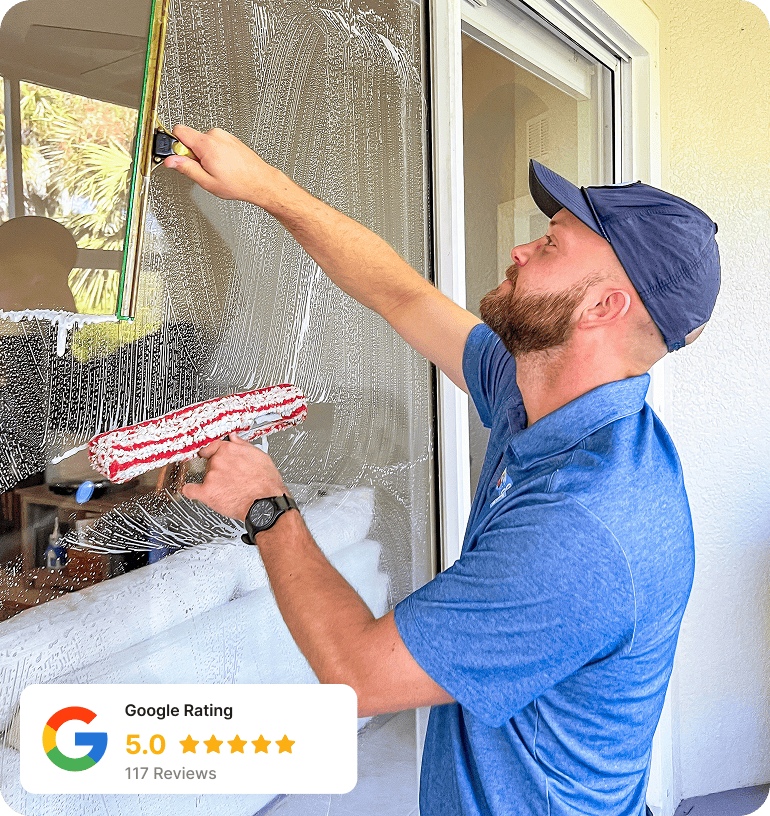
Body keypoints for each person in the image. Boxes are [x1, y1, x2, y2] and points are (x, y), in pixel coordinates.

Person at [164, 126, 720, 816]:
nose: (520, 250)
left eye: (550, 245)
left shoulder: (585, 527)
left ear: (602, 307)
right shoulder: (536, 392)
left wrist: (265, 505)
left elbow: (358, 674)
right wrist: (265, 188)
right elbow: (399, 293)